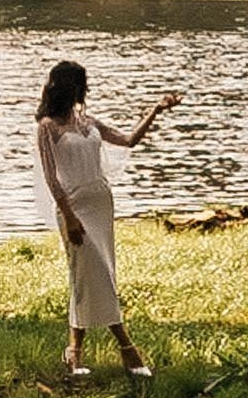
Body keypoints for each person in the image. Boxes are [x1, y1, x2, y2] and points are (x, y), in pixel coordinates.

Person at [35, 60, 179, 378]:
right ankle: (128, 349)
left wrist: (156, 110)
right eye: (77, 85)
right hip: (73, 208)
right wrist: (69, 216)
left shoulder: (88, 122)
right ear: (64, 88)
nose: (81, 91)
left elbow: (128, 141)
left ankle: (74, 352)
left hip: (101, 204)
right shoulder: (48, 126)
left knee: (89, 276)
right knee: (93, 273)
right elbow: (51, 178)